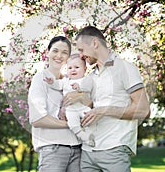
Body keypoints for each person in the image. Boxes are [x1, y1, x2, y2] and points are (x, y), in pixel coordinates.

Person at [63, 26, 151, 172]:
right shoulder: (90, 77)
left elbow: (143, 110)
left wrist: (104, 110)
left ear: (95, 43)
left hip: (114, 149)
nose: (81, 56)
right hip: (87, 152)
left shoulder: (125, 68)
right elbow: (89, 109)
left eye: (81, 50)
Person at [28, 36, 82, 172]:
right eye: (55, 51)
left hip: (78, 149)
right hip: (53, 148)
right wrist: (71, 125)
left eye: (64, 52)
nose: (59, 55)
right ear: (48, 52)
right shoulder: (40, 79)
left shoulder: (72, 82)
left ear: (69, 57)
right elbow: (37, 118)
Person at [43, 53, 95, 147]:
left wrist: (79, 88)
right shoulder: (65, 81)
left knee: (90, 120)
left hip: (83, 107)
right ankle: (84, 137)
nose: (73, 70)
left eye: (76, 67)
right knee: (73, 124)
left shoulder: (86, 80)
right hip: (71, 109)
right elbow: (58, 85)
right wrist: (52, 82)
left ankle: (91, 135)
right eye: (70, 68)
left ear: (85, 69)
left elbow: (88, 88)